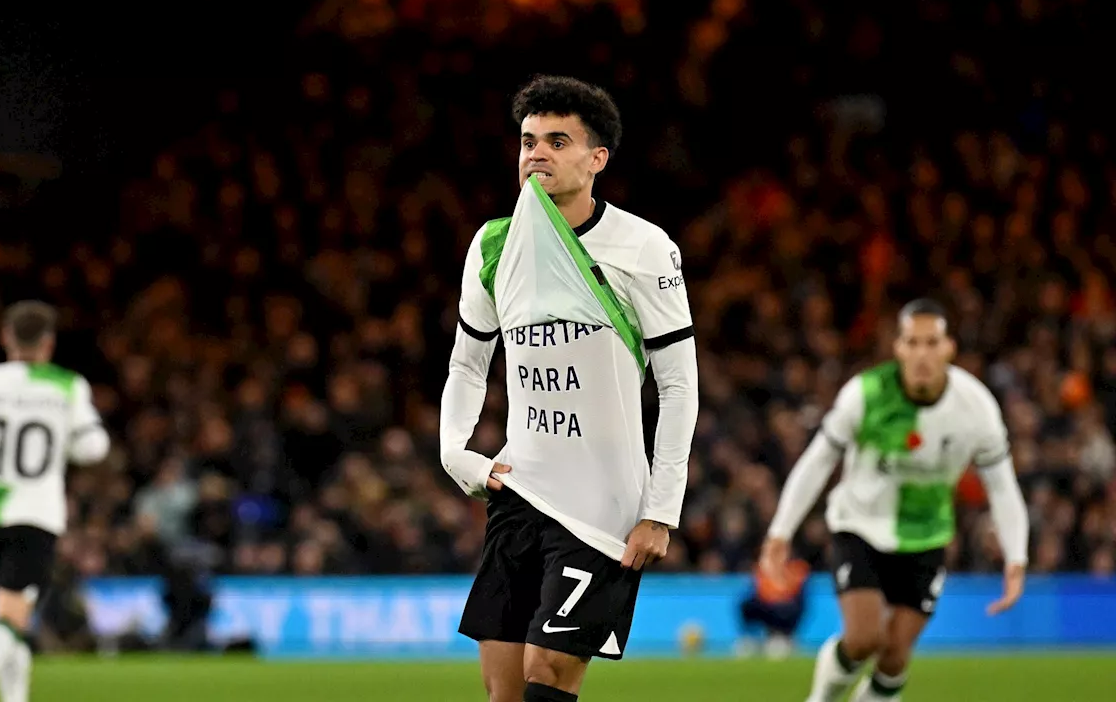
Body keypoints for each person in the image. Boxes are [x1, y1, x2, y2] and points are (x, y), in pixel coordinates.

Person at [439, 74, 700, 702]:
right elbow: (468, 363)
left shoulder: (642, 247)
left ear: (597, 159)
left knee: (549, 676)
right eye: (529, 141)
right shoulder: (494, 244)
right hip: (520, 487)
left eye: (558, 141)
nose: (538, 154)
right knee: (502, 689)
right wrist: (455, 450)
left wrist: (661, 511)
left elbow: (679, 384)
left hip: (601, 506)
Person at [760, 299, 1030, 702]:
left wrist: (1016, 556)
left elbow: (1002, 485)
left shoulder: (977, 409)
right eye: (912, 342)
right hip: (860, 525)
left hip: (927, 536)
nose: (922, 353)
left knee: (894, 656)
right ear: (898, 347)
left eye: (931, 342)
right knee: (865, 638)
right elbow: (818, 460)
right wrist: (780, 532)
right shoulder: (865, 395)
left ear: (949, 348)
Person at [0, 301, 110, 702]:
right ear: (48, 343)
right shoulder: (68, 385)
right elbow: (93, 447)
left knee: (13, 614)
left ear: (6, 337)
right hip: (36, 512)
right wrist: (63, 443)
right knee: (12, 613)